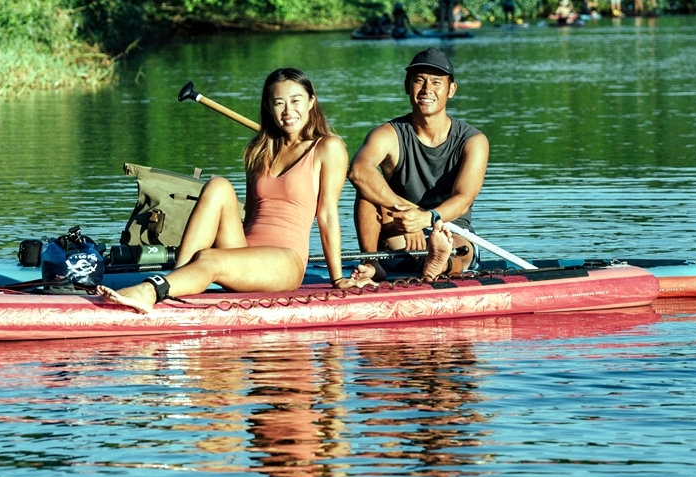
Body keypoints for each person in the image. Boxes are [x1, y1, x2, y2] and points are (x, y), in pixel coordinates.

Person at [101, 68, 359, 313]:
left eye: (296, 100)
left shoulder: (329, 147)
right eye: (279, 103)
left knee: (210, 259)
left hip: (285, 262)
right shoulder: (259, 150)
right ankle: (177, 281)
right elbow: (253, 212)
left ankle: (152, 291)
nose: (288, 110)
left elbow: (327, 216)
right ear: (268, 107)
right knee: (219, 185)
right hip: (244, 250)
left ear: (311, 101)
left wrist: (338, 278)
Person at [348, 47, 490, 281]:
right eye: (419, 81)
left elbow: (464, 199)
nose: (426, 90)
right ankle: (372, 262)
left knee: (453, 245)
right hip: (400, 232)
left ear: (451, 90)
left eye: (436, 82)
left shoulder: (473, 141)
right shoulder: (388, 134)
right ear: (407, 86)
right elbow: (358, 172)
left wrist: (427, 218)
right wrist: (406, 214)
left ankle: (441, 264)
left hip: (450, 229)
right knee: (366, 192)